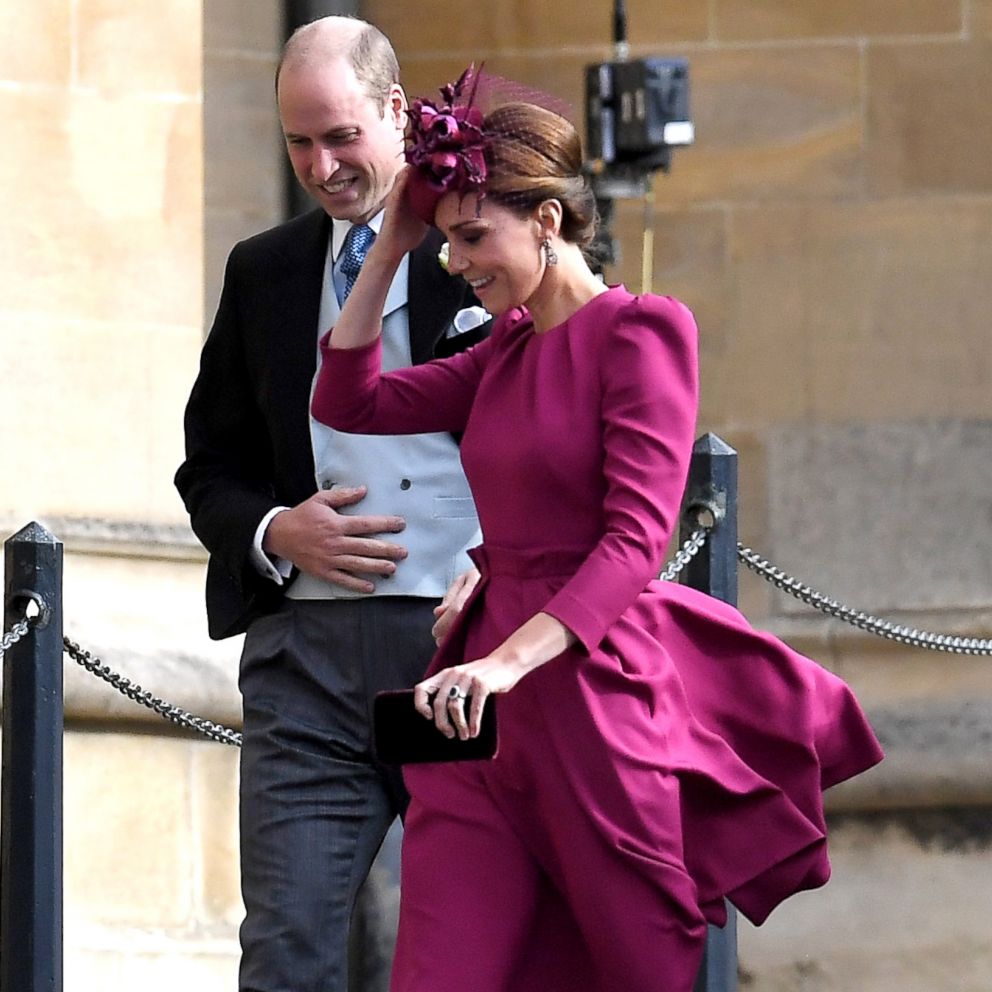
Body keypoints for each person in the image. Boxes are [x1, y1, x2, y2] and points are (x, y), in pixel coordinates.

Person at [312, 69, 884, 992]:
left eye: (473, 237)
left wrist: (503, 661)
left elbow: (634, 544)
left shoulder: (642, 334)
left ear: (545, 222)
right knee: (435, 975)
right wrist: (394, 244)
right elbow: (349, 398)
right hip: (477, 716)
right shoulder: (503, 348)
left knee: (633, 968)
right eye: (449, 241)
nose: (458, 262)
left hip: (592, 704)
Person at [174, 19, 488, 992]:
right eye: (298, 142)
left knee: (466, 954)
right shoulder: (262, 270)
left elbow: (566, 434)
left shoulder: (485, 244)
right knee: (285, 953)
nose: (321, 164)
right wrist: (276, 528)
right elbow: (209, 467)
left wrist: (503, 562)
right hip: (303, 669)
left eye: (341, 135)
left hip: (464, 659)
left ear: (397, 112)